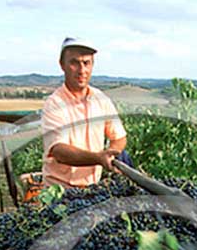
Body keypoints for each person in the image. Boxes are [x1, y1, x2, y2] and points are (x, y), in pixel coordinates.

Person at [40, 37, 132, 190]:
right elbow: (59, 151)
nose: (82, 70)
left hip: (91, 188)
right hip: (60, 191)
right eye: (74, 63)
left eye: (86, 63)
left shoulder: (101, 100)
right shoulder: (54, 104)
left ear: (92, 66)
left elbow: (119, 137)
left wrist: (113, 152)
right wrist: (98, 158)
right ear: (62, 65)